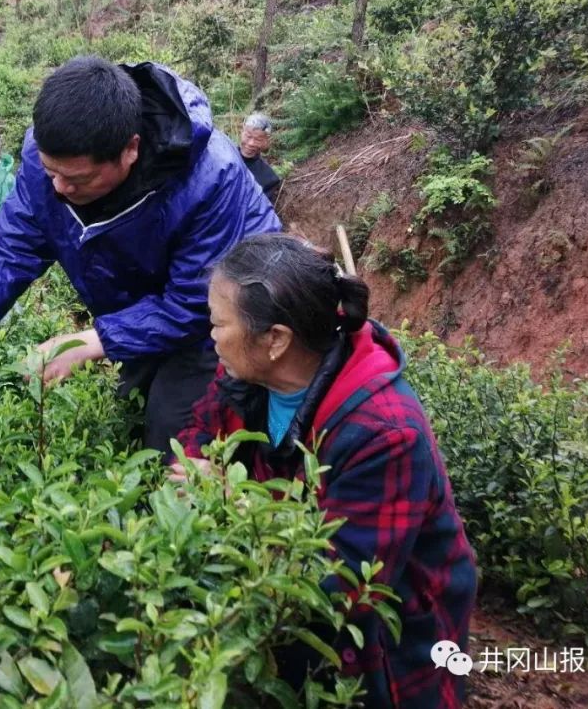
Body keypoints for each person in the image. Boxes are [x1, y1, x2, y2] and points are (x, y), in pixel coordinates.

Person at [0, 56, 282, 452]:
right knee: (124, 414)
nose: (58, 188)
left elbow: (195, 303)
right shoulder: (50, 156)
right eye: (51, 171)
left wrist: (89, 341)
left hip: (223, 323)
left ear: (130, 150)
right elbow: (12, 244)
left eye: (77, 179)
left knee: (175, 439)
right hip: (140, 297)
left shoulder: (209, 181)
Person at [172, 233, 476, 709]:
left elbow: (340, 584)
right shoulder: (244, 372)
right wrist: (191, 464)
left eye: (218, 324)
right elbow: (201, 431)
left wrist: (227, 502)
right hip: (280, 596)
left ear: (275, 340)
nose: (211, 335)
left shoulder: (385, 432)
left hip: (388, 644)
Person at [239, 112, 282, 206]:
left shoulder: (269, 178)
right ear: (241, 132)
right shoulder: (225, 155)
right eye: (248, 136)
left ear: (266, 141)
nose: (251, 143)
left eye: (258, 140)